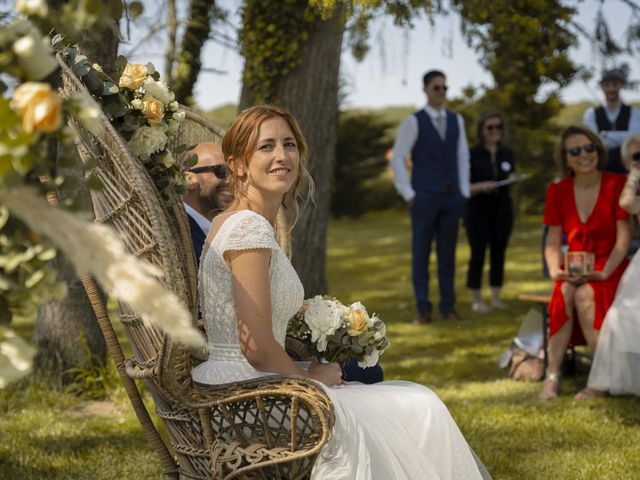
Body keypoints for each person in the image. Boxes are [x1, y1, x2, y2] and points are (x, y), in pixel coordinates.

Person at [191, 105, 490, 479]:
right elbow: (257, 348)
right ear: (237, 164)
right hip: (248, 396)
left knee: (413, 403)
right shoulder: (248, 228)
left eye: (289, 144)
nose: (282, 156)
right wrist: (313, 380)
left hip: (252, 380)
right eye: (266, 146)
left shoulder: (239, 221)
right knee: (420, 405)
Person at [539, 126, 630, 401]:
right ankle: (553, 375)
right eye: (575, 151)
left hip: (610, 266)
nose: (584, 155)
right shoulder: (557, 190)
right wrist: (556, 271)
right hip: (574, 267)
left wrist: (603, 272)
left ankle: (600, 380)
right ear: (566, 159)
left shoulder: (616, 184)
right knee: (566, 291)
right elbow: (552, 241)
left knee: (586, 295)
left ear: (598, 151)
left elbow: (623, 241)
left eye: (589, 147)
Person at [390, 70, 470, 324]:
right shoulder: (414, 121)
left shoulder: (457, 120)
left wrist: (464, 191)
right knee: (421, 254)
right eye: (437, 88)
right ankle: (423, 309)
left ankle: (448, 307)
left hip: (451, 198)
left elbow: (462, 156)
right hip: (423, 197)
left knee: (447, 256)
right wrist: (408, 192)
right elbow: (399, 157)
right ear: (426, 89)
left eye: (445, 88)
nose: (442, 92)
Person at [583, 134, 640, 398]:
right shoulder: (632, 188)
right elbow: (627, 204)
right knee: (619, 317)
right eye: (637, 157)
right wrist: (634, 174)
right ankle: (602, 383)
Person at [465, 112, 515, 313]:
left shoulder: (507, 154)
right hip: (478, 210)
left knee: (498, 251)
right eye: (490, 127)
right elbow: (464, 186)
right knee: (478, 252)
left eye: (498, 127)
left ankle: (495, 296)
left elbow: (509, 174)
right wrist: (480, 186)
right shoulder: (472, 154)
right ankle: (476, 298)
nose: (495, 131)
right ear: (482, 131)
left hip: (502, 209)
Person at [583, 68, 640, 174]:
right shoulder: (591, 114)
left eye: (615, 84)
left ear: (621, 85)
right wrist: (623, 137)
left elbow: (634, 138)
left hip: (629, 172)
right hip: (600, 172)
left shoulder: (635, 112)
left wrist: (605, 134)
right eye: (607, 85)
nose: (611, 89)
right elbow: (594, 141)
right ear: (601, 87)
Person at [182, 143, 232, 261]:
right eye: (221, 171)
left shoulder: (226, 230)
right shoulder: (179, 233)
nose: (231, 181)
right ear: (189, 179)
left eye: (233, 172)